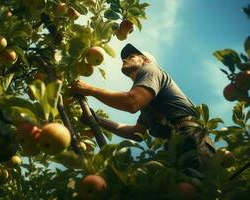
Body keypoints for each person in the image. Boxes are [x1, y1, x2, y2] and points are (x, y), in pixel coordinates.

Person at [72, 43, 215, 170]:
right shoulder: (147, 102)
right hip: (174, 146)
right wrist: (98, 120)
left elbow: (131, 102)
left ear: (145, 61)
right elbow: (136, 132)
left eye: (131, 56)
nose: (124, 59)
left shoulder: (151, 70)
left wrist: (89, 90)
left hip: (189, 137)